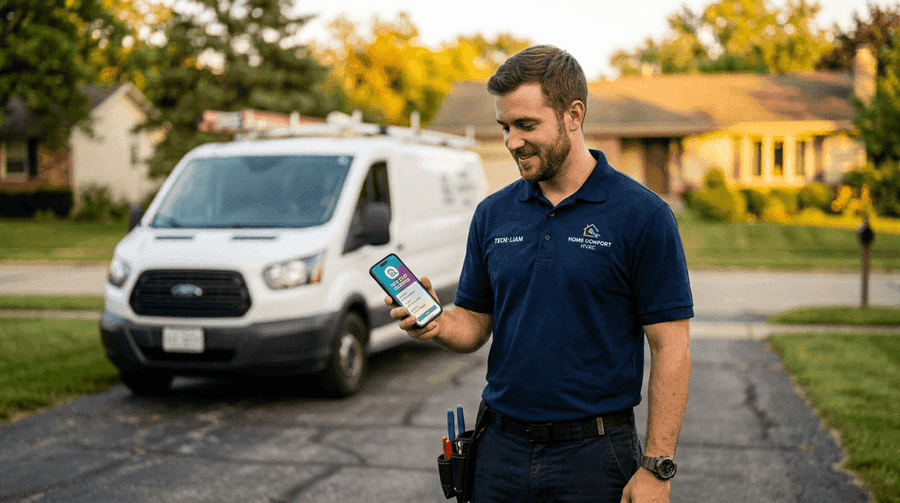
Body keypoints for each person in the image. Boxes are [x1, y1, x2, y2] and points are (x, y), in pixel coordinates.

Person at [387, 45, 693, 503]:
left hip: (596, 454)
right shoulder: (493, 214)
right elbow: (473, 323)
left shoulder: (643, 216)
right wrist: (435, 323)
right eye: (505, 127)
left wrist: (656, 468)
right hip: (498, 452)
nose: (512, 142)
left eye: (527, 126)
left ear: (574, 114)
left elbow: (671, 345)